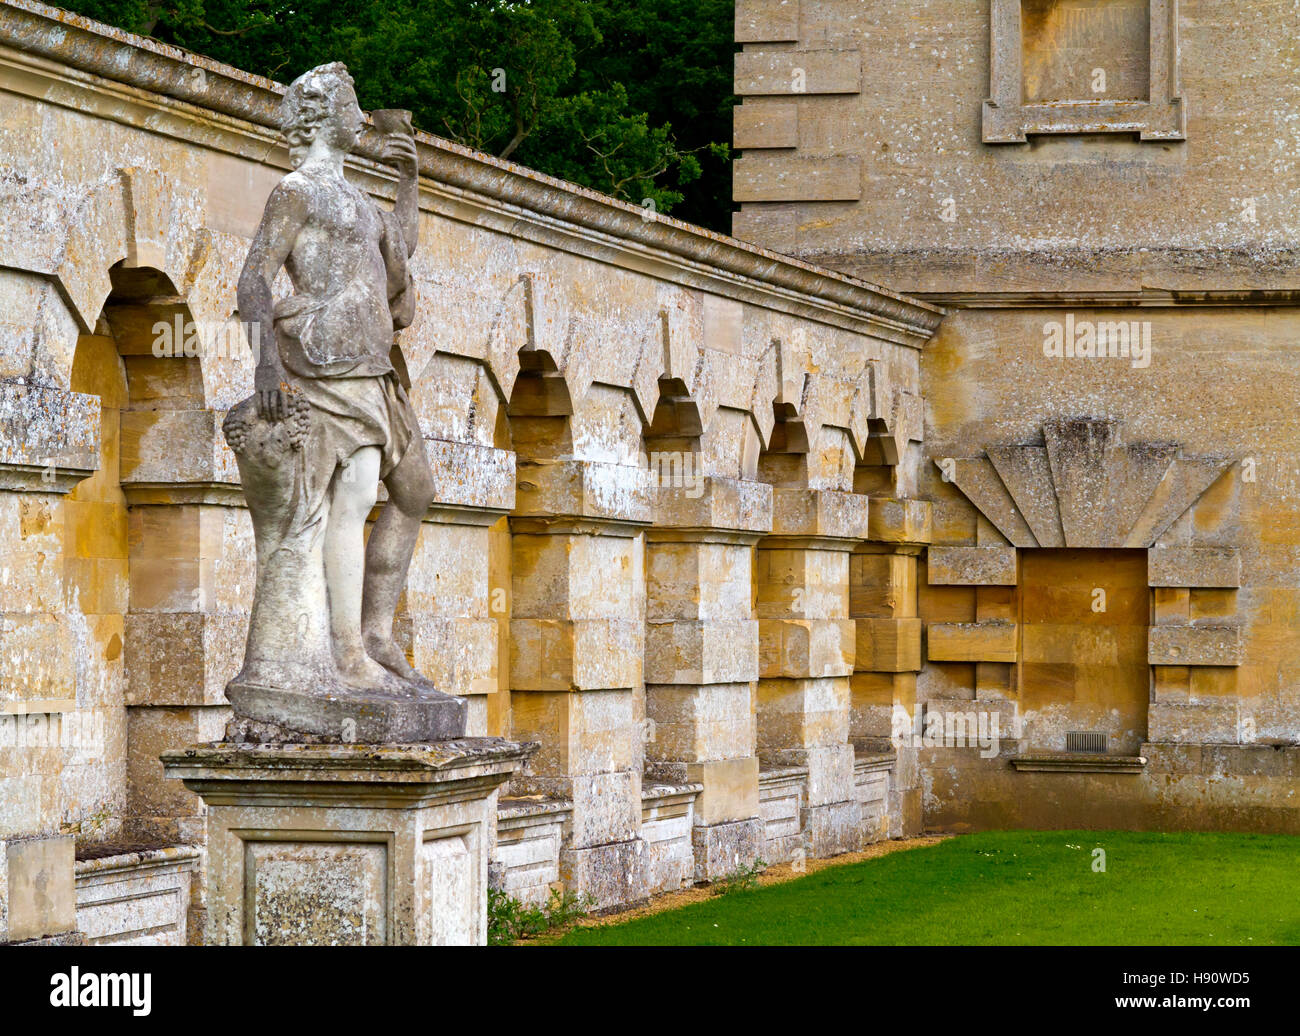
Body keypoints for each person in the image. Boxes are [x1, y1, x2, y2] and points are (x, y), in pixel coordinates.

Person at [236, 62, 436, 691]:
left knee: (415, 491)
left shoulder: (359, 199)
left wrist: (409, 180)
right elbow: (253, 279)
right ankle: (348, 651)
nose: (361, 116)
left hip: (374, 365)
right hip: (324, 360)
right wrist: (265, 359)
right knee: (351, 500)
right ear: (326, 116)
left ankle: (376, 633)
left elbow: (397, 249)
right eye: (352, 105)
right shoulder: (297, 190)